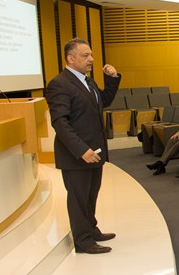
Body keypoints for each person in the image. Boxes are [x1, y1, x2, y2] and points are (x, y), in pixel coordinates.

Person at [44, 38, 121, 254]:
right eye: (85, 55)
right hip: (77, 155)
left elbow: (103, 101)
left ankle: (91, 229)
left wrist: (112, 79)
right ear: (70, 58)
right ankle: (83, 241)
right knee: (78, 199)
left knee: (90, 195)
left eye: (91, 55)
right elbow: (60, 122)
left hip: (95, 151)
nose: (91, 59)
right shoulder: (59, 84)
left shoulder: (87, 81)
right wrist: (81, 150)